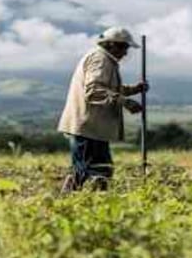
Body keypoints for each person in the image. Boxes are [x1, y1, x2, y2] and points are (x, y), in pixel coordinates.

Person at [57, 27, 147, 191]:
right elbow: (94, 91)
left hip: (93, 127)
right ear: (113, 45)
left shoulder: (103, 59)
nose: (125, 53)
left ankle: (84, 200)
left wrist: (134, 89)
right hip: (89, 126)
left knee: (93, 169)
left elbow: (108, 88)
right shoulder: (101, 60)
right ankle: (78, 201)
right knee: (94, 170)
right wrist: (125, 102)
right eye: (124, 48)